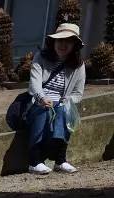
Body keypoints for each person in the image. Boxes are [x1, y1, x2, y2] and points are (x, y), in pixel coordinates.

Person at [25, 22, 86, 175]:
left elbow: (78, 94)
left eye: (68, 41)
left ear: (74, 45)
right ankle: (34, 161)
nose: (63, 44)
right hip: (37, 102)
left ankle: (60, 160)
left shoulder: (78, 66)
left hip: (60, 104)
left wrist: (66, 101)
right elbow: (34, 85)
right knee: (42, 110)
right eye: (60, 40)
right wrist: (41, 98)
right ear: (53, 42)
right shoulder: (40, 57)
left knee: (64, 110)